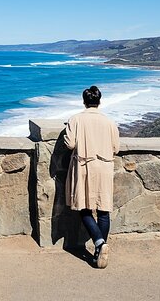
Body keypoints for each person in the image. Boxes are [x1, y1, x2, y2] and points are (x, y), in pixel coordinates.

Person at [64, 85, 120, 268]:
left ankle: (99, 243)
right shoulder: (109, 121)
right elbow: (116, 148)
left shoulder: (76, 119)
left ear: (84, 101)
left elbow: (71, 144)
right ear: (99, 101)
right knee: (104, 210)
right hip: (104, 166)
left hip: (85, 165)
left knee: (84, 208)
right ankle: (99, 251)